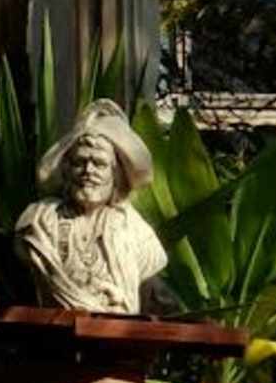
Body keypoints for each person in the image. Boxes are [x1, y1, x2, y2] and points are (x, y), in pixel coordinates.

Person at [16, 98, 166, 316]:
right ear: (67, 170)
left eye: (99, 164)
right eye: (80, 162)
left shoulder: (137, 233)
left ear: (116, 175)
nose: (88, 170)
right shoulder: (40, 221)